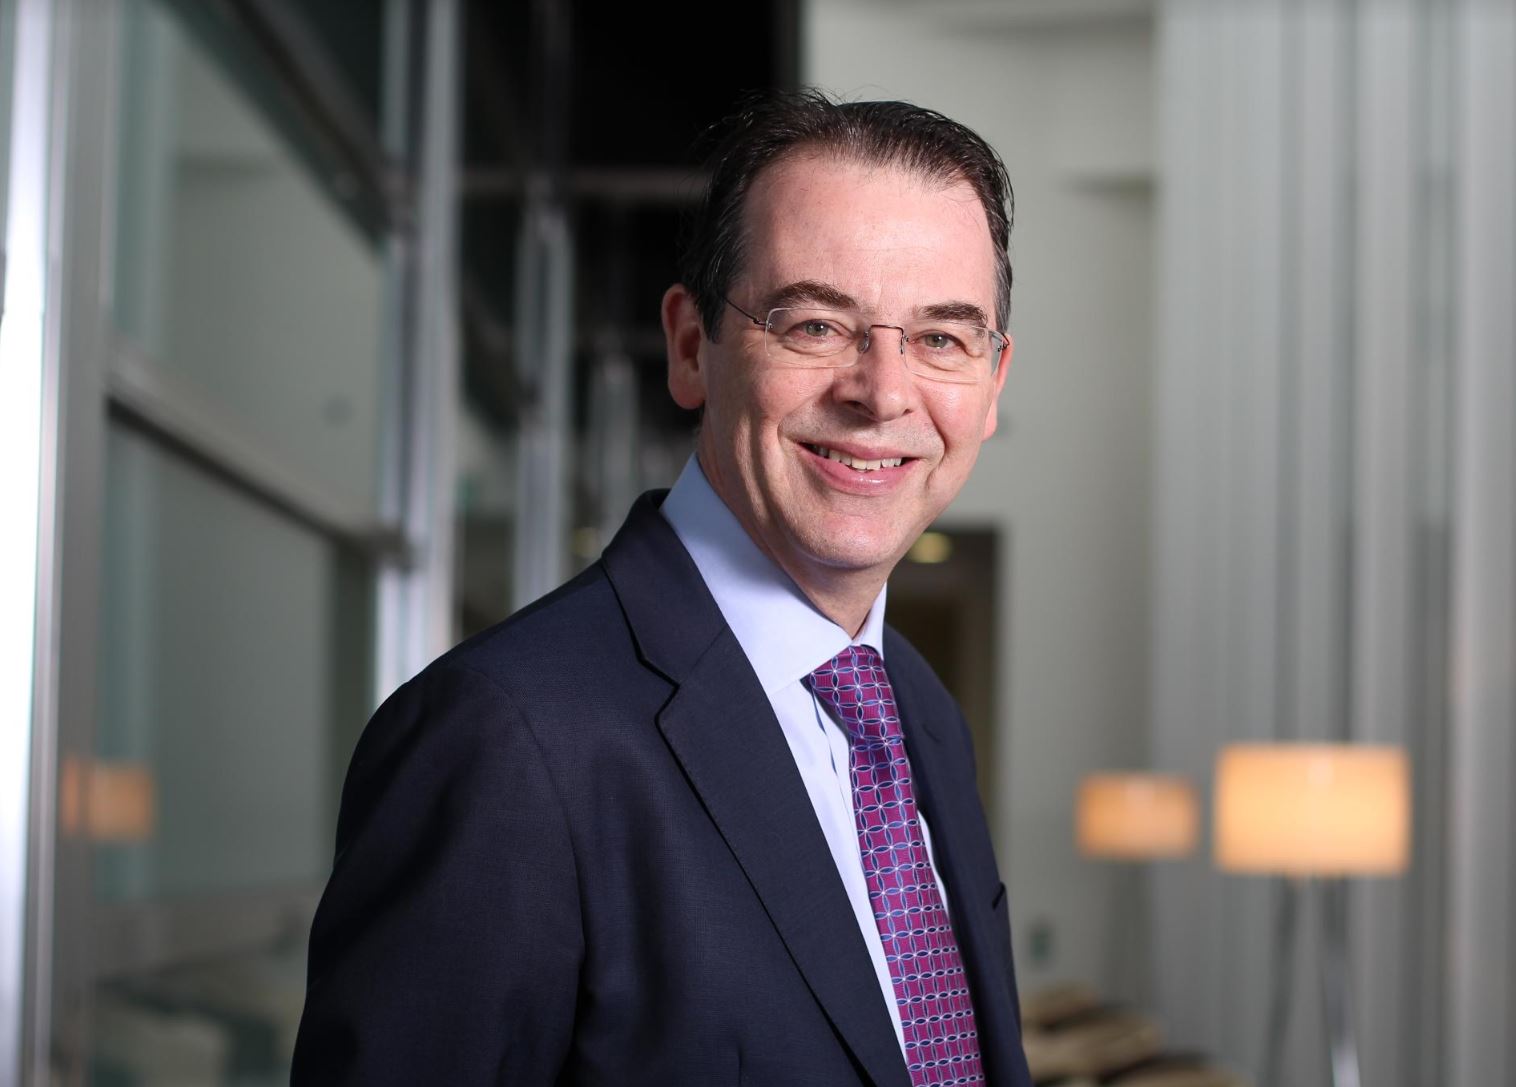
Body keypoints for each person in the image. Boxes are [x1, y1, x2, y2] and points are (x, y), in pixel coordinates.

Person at [292, 90, 1027, 1086]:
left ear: (993, 381)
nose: (883, 392)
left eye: (942, 338)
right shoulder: (505, 741)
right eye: (815, 324)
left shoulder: (920, 714)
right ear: (690, 347)